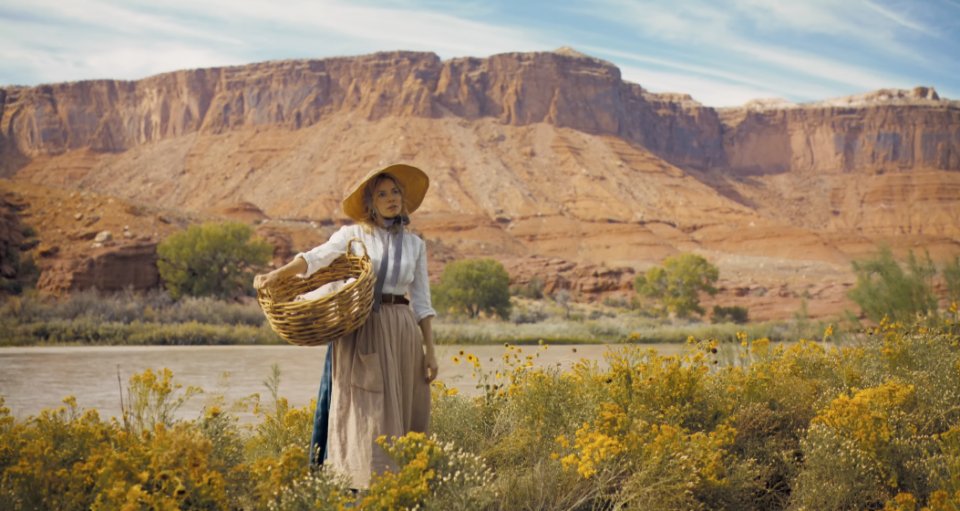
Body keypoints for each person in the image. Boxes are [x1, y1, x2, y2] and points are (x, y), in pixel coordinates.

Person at [253, 163, 439, 489]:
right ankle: (359, 486)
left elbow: (422, 303)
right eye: (382, 193)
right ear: (371, 202)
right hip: (364, 328)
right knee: (367, 408)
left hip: (403, 332)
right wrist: (276, 275)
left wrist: (430, 352)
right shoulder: (352, 235)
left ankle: (402, 487)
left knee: (405, 407)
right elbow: (316, 258)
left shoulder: (416, 245)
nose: (390, 198)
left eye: (395, 191)